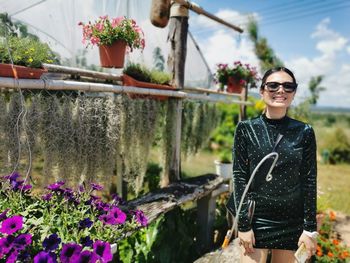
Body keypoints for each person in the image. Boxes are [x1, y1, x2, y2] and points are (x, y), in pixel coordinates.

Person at [229, 67, 318, 262]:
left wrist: (310, 228)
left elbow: (309, 181)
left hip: (291, 220)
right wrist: (243, 226)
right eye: (273, 85)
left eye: (288, 86)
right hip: (256, 218)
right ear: (262, 91)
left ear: (293, 93)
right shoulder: (245, 129)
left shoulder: (304, 132)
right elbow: (239, 176)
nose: (281, 90)